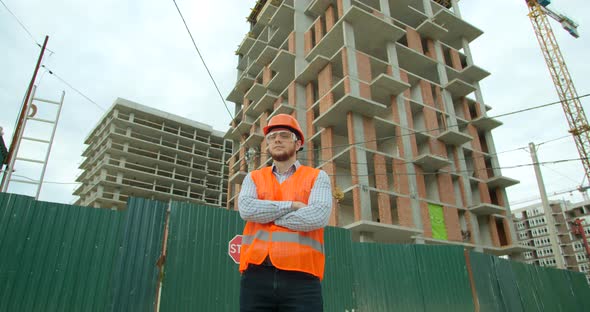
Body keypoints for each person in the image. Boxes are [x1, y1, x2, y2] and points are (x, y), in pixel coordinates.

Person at [238, 114, 333, 312]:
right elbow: (246, 209)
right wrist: (293, 205)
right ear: (267, 145)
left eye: (284, 135)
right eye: (272, 137)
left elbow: (317, 216)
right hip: (256, 276)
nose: (277, 139)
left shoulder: (317, 177)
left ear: (298, 144)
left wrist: (267, 217)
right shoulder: (253, 177)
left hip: (303, 278)